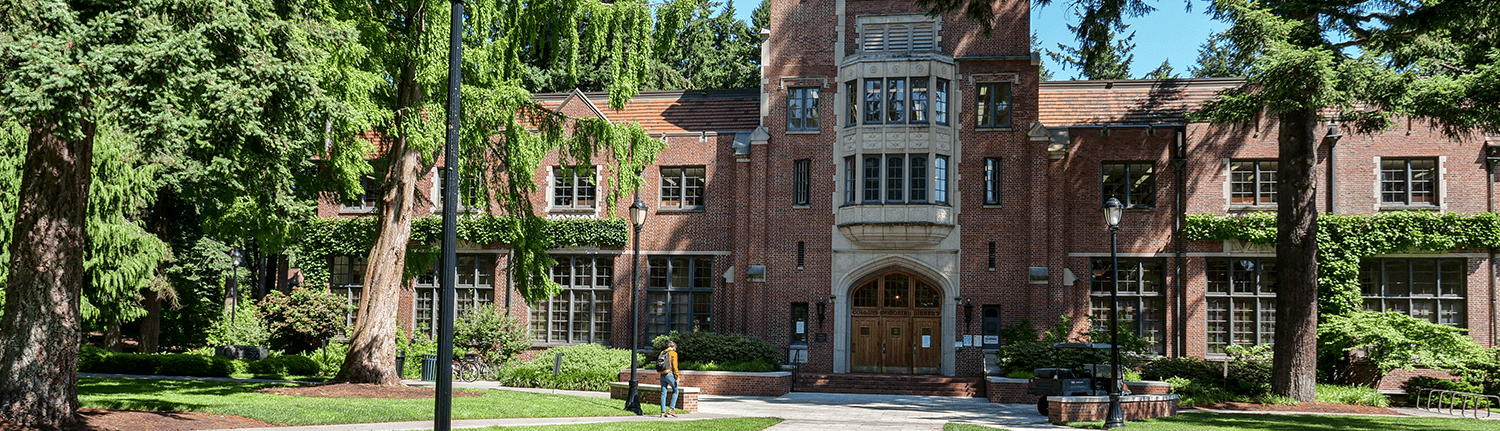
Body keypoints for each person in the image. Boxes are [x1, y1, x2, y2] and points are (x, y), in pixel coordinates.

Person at [658, 341, 680, 418]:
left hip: (662, 374)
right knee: (676, 391)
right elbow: (675, 366)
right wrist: (677, 377)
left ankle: (663, 412)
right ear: (674, 347)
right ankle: (671, 409)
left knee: (663, 393)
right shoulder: (673, 353)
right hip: (669, 374)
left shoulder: (662, 352)